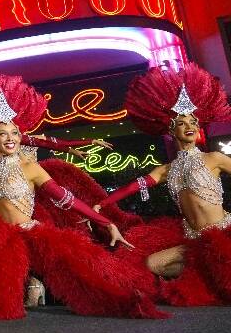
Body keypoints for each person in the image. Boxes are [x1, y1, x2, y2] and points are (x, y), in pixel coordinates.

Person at [0, 70, 163, 320]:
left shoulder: (31, 167)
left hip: (30, 231)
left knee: (82, 272)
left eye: (15, 133)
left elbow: (66, 198)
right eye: (3, 134)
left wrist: (105, 222)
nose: (10, 139)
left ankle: (124, 300)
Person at [94, 63, 231, 305]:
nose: (189, 126)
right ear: (171, 128)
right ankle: (206, 277)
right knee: (151, 263)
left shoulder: (214, 159)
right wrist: (100, 205)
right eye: (182, 122)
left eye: (193, 122)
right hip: (195, 241)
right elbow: (131, 188)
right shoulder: (166, 170)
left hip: (223, 234)